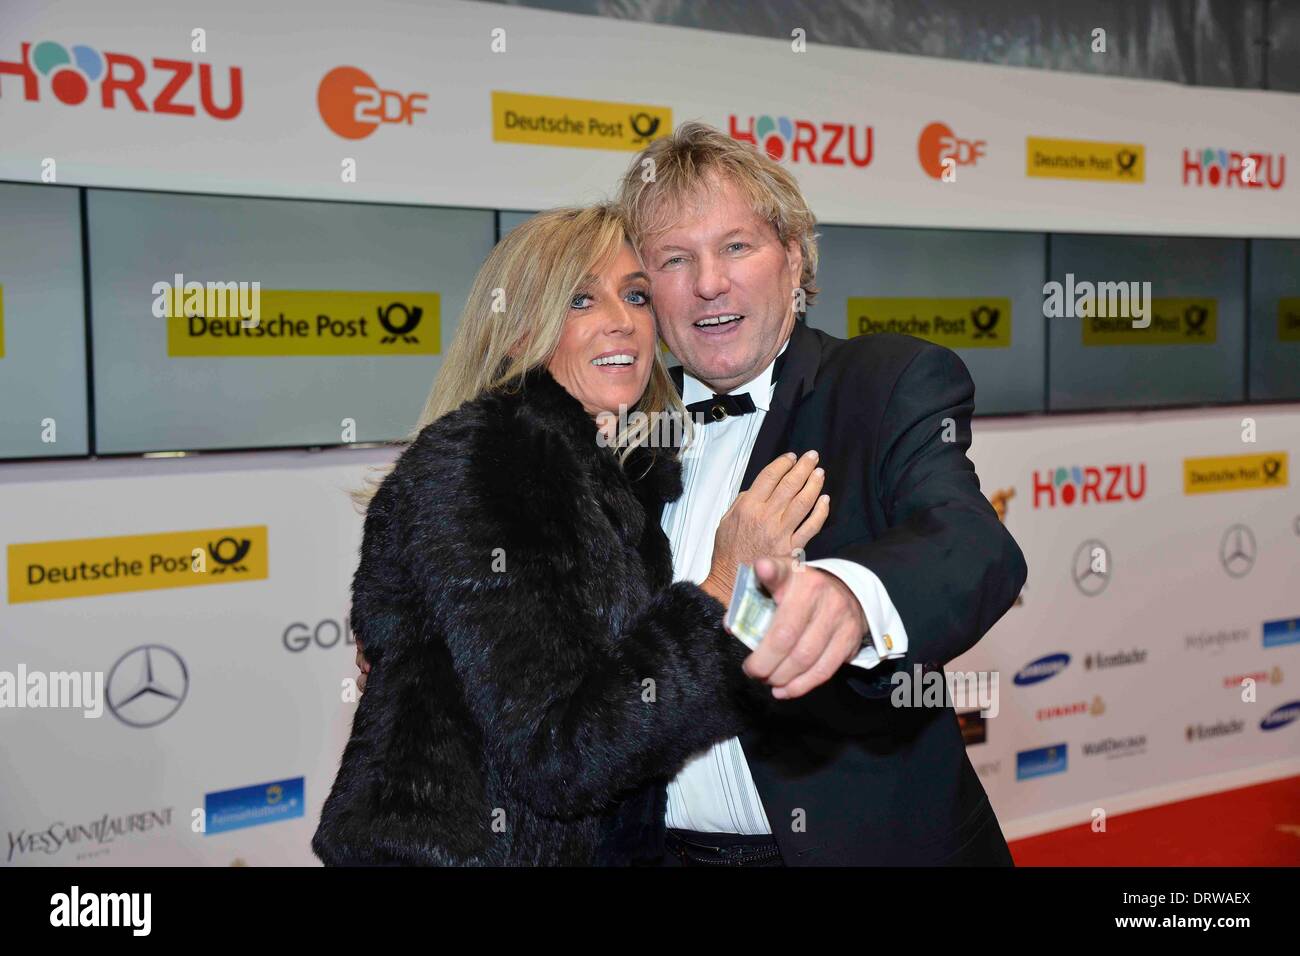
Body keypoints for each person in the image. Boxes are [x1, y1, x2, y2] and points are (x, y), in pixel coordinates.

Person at [312, 204, 827, 866]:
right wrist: (725, 584)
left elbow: (626, 705)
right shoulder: (492, 462)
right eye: (582, 298)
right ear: (523, 329)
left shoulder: (616, 474)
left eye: (637, 295)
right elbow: (562, 759)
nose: (622, 319)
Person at [609, 121, 1029, 866]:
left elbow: (970, 542)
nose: (709, 282)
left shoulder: (886, 382)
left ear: (794, 259)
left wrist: (849, 598)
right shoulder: (616, 426)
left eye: (737, 246)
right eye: (676, 259)